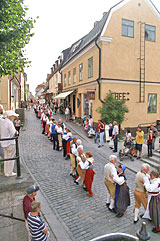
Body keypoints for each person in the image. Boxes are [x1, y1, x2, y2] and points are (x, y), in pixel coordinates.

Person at [0, 110, 18, 176]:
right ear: (10, 116)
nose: (14, 118)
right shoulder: (9, 123)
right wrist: (17, 133)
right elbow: (13, 133)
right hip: (10, 142)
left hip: (3, 142)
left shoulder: (2, 121)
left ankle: (6, 171)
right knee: (11, 157)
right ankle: (9, 172)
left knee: (6, 157)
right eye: (13, 116)